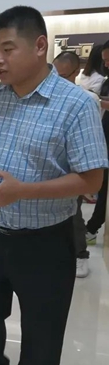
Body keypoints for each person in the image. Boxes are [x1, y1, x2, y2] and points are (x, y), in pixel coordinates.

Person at [0, 6, 107, 365]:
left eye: (8, 49)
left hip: (47, 241)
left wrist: (23, 191)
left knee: (42, 333)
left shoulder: (77, 105)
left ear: (40, 46)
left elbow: (91, 180)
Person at [52, 50, 99, 277]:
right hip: (52, 165)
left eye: (62, 76)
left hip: (75, 167)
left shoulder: (86, 100)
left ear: (75, 72)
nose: (56, 81)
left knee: (73, 212)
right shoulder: (49, 97)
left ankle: (81, 255)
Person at [85, 40, 109, 245]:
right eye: (104, 60)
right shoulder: (106, 79)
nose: (106, 64)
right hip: (104, 135)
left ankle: (93, 227)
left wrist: (96, 101)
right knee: (103, 185)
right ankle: (93, 227)